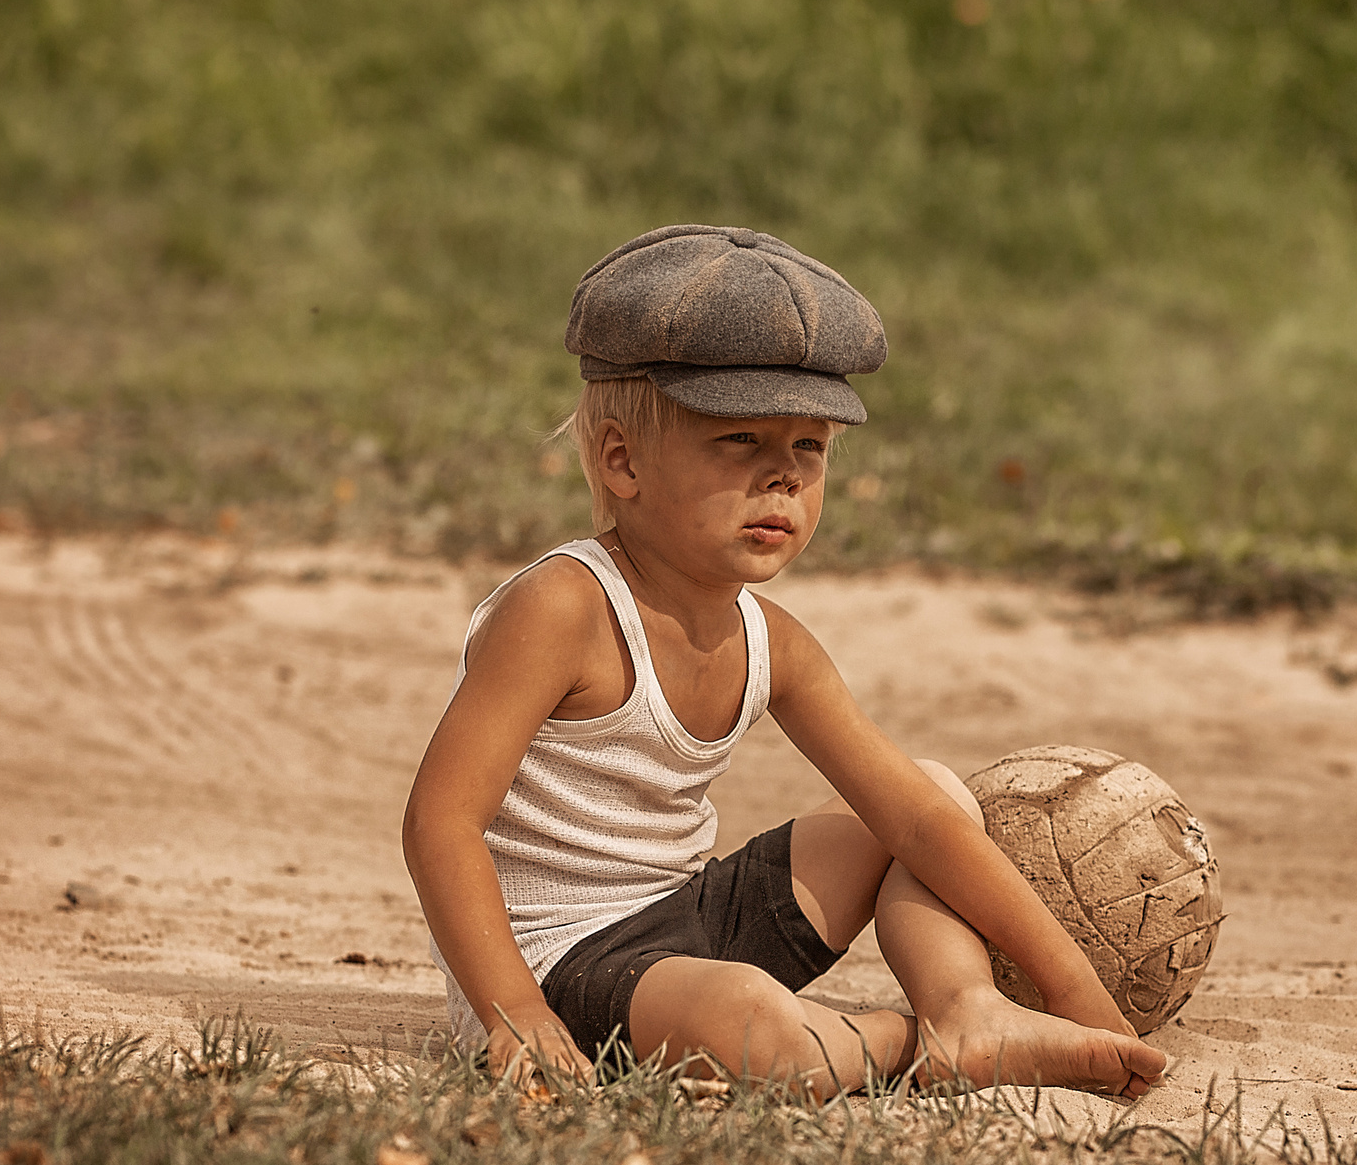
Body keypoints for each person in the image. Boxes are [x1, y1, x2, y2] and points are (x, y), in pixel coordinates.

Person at [401, 225, 1168, 1101]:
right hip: (556, 964)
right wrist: (514, 1015)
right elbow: (440, 821)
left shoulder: (776, 641)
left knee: (939, 793)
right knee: (755, 1025)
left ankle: (967, 1010)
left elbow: (916, 824)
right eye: (741, 442)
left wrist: (1078, 996)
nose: (785, 478)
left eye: (808, 447)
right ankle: (904, 1042)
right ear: (622, 460)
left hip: (685, 928)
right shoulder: (563, 608)